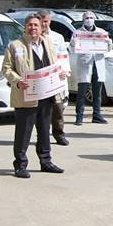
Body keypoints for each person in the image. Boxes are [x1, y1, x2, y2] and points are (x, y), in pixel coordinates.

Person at [1, 14, 68, 178]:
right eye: (30, 25)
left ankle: (46, 162)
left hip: (47, 95)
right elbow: (6, 68)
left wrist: (61, 73)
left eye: (36, 25)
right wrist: (17, 81)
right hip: (26, 97)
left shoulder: (48, 43)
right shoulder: (15, 46)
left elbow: (56, 64)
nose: (33, 28)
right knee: (23, 133)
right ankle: (20, 165)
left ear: (41, 27)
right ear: (25, 27)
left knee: (44, 132)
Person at [70, 11, 113, 125]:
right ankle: (79, 116)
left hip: (98, 64)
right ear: (83, 20)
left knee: (97, 92)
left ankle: (97, 115)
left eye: (91, 18)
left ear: (94, 19)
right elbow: (72, 49)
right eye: (87, 18)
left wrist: (109, 43)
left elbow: (108, 49)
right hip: (85, 65)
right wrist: (73, 43)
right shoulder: (78, 33)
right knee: (82, 92)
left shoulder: (101, 32)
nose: (89, 20)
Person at [38, 10, 70, 146]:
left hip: (56, 77)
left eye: (46, 21)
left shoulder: (57, 37)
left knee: (58, 107)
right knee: (41, 110)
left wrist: (65, 70)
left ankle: (59, 133)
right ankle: (42, 136)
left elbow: (64, 56)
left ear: (50, 21)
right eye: (41, 21)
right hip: (40, 78)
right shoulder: (33, 37)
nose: (43, 24)